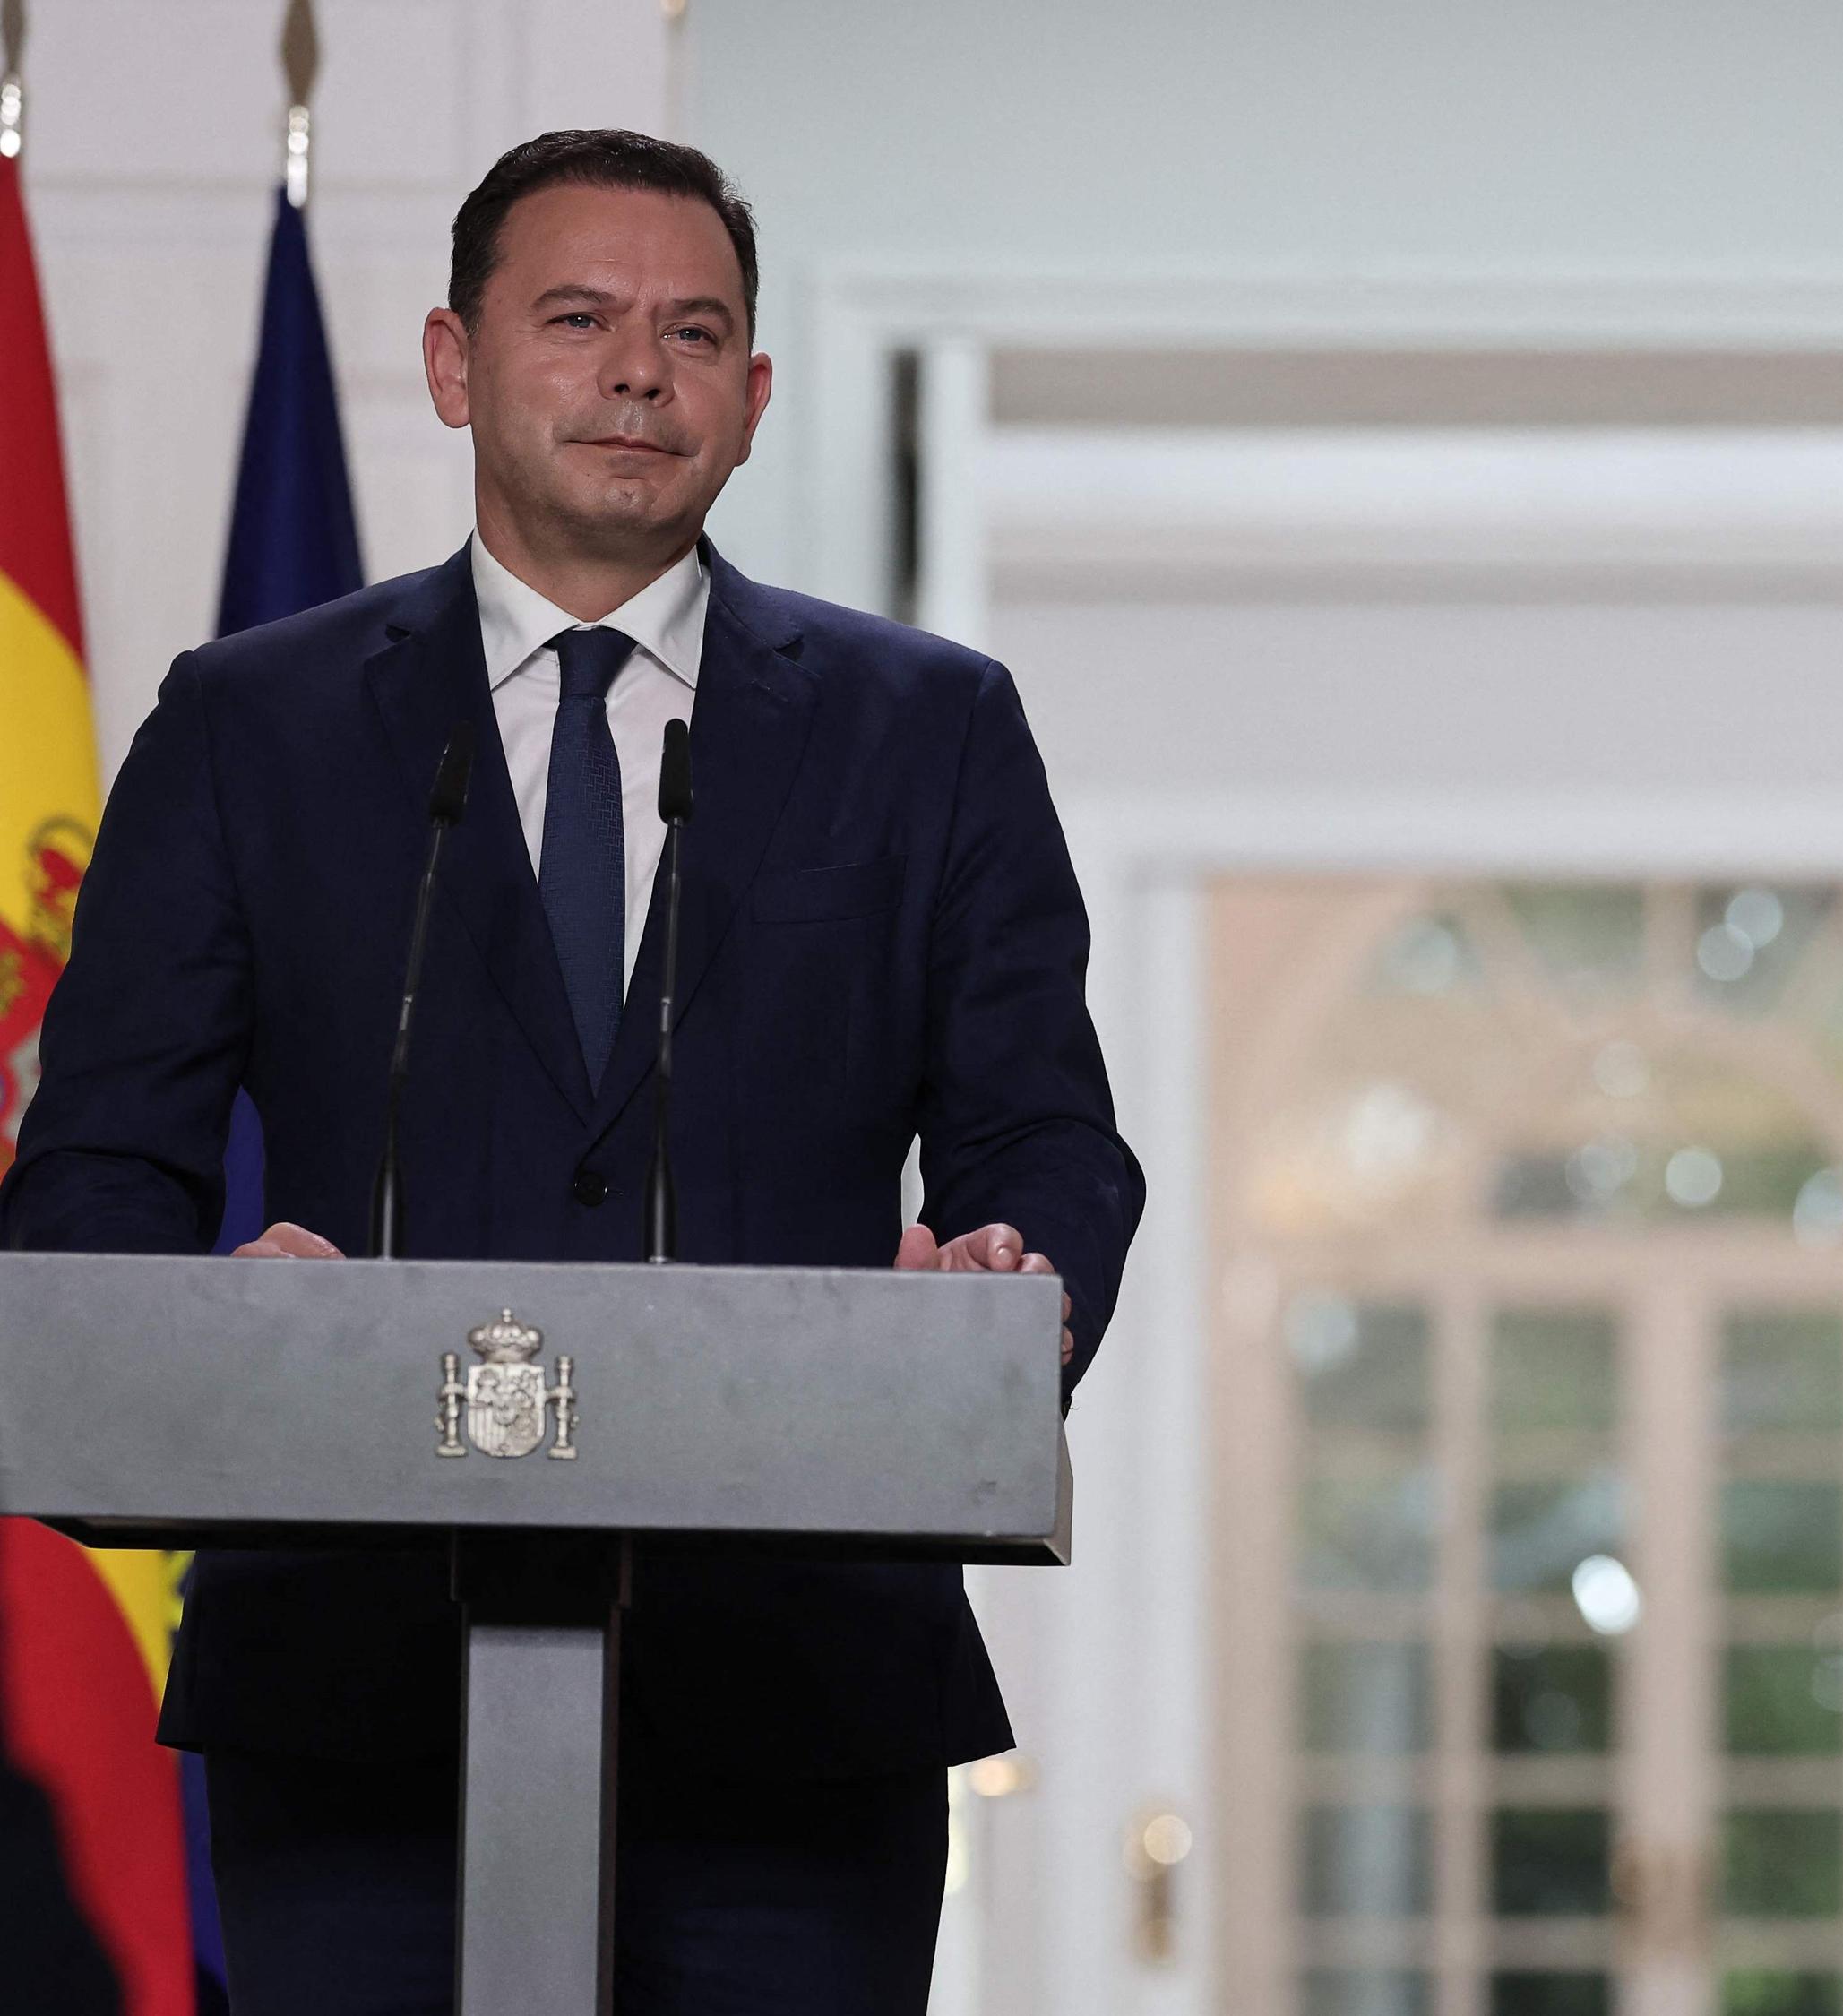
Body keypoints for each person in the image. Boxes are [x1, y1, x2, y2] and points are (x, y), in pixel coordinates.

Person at [0, 131, 1142, 2013]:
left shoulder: (928, 728)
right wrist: (208, 1323)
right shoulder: (250, 724)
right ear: (453, 364)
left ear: (751, 399)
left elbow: (1046, 1135)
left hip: (802, 1703)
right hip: (352, 1699)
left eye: (692, 334)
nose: (638, 373)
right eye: (579, 319)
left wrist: (1011, 1268)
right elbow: (96, 1166)